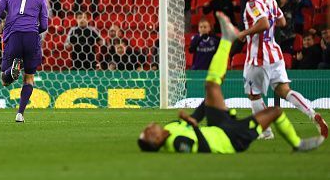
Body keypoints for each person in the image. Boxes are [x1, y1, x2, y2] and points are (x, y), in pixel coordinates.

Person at [138, 12, 325, 153]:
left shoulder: (170, 127)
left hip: (217, 125)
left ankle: (227, 39)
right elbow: (198, 148)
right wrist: (193, 124)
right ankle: (298, 144)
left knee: (211, 87)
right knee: (275, 111)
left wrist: (196, 115)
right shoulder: (176, 143)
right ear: (155, 140)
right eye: (148, 131)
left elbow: (193, 121)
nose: (149, 126)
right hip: (230, 137)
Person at [238, 0, 328, 140]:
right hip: (274, 54)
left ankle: (266, 132)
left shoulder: (252, 4)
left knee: (254, 94)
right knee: (285, 90)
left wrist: (245, 33)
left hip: (258, 56)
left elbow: (263, 23)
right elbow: (282, 21)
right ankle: (312, 114)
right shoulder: (270, 0)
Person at [0, 0, 49, 123]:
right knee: (29, 77)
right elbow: (44, 25)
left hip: (13, 36)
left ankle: (13, 69)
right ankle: (20, 114)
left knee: (4, 80)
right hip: (31, 36)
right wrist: (31, 31)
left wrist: (2, 30)